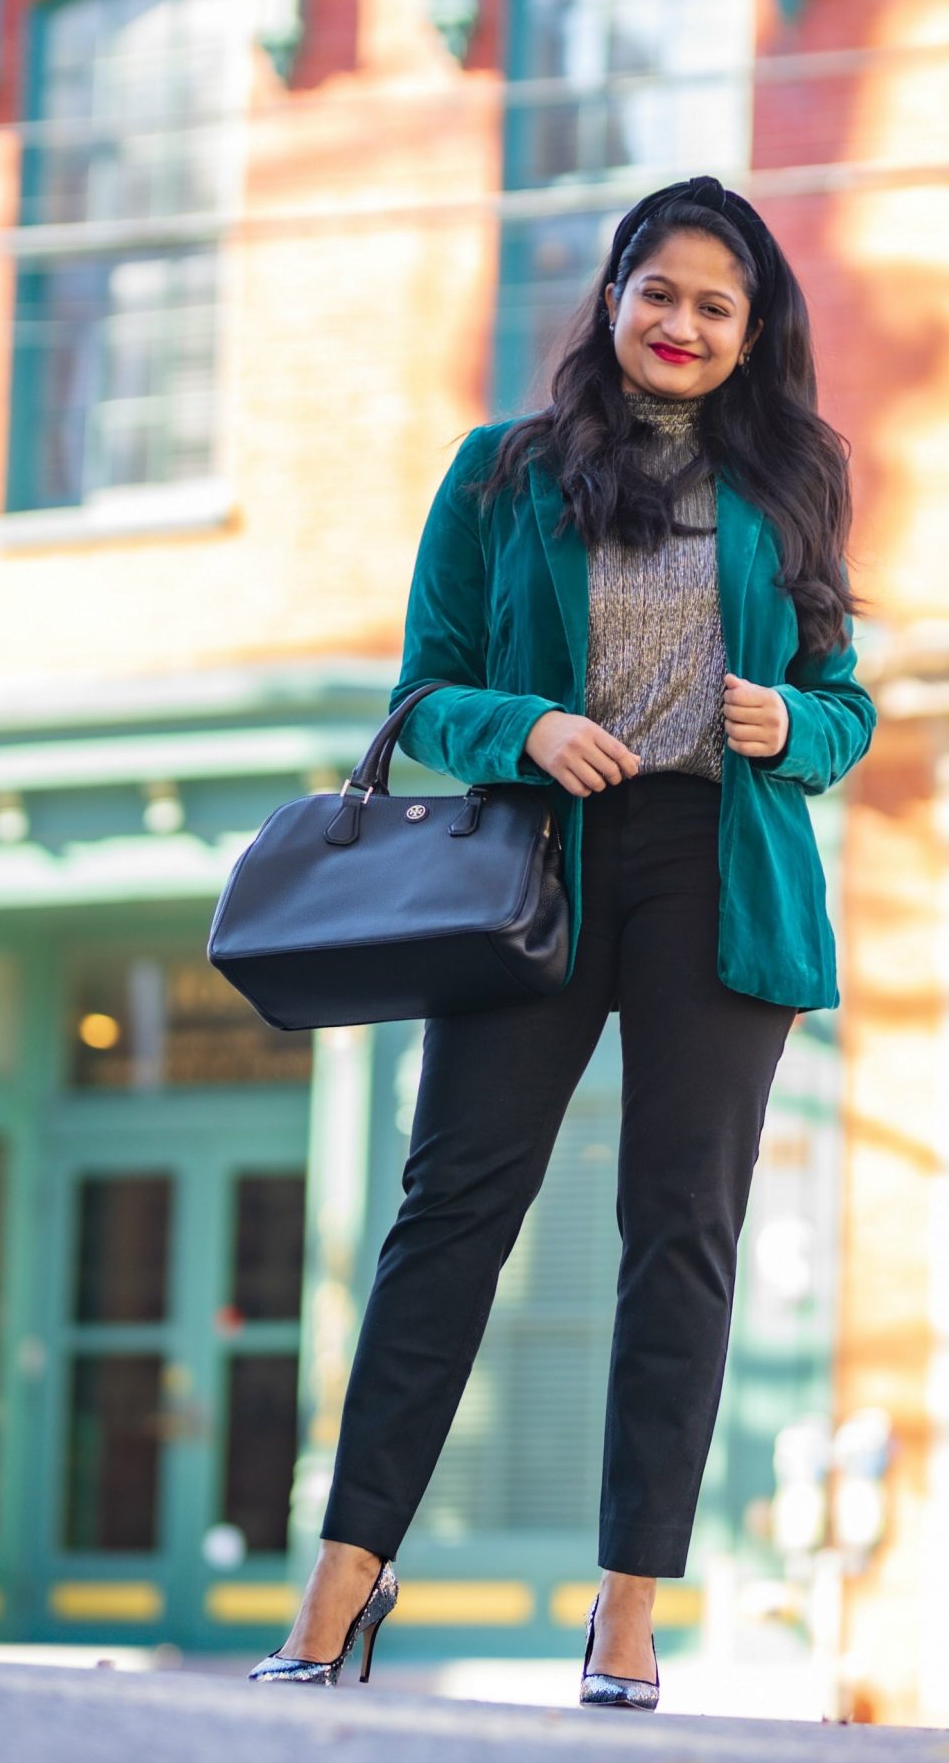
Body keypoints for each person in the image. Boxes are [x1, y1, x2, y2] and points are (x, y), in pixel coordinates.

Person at [249, 174, 878, 1706]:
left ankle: (624, 1607)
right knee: (450, 1211)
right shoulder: (501, 474)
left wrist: (792, 720)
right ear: (609, 299)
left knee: (681, 1239)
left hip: (719, 873)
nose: (679, 323)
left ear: (749, 334)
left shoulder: (794, 481)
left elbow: (845, 706)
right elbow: (424, 694)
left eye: (712, 307)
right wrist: (525, 726)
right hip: (535, 870)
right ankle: (344, 1581)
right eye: (655, 292)